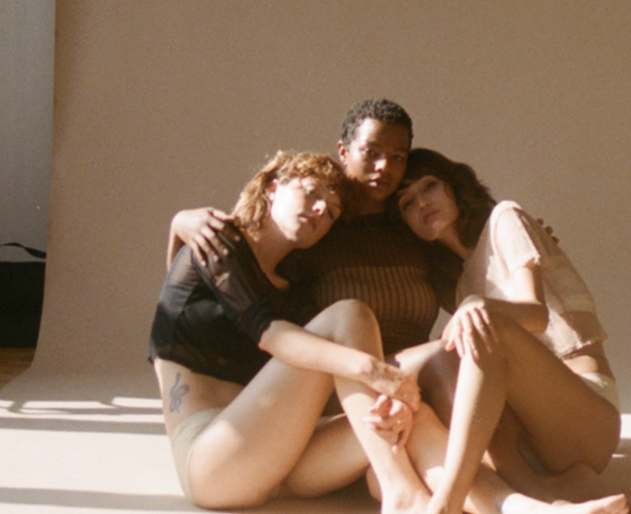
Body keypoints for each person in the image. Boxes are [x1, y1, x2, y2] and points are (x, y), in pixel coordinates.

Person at [150, 148, 428, 514]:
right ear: (272, 188)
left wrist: (389, 396)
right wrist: (373, 371)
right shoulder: (217, 244)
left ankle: (493, 511)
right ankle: (401, 494)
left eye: (331, 213)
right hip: (212, 460)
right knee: (350, 314)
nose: (320, 210)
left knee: (409, 417)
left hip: (279, 461)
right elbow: (269, 334)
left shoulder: (294, 293)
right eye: (311, 193)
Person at [388, 147, 631, 514]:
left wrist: (480, 306)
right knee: (443, 361)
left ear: (454, 186)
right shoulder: (461, 283)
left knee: (483, 327)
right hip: (528, 446)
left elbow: (535, 315)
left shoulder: (505, 218)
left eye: (429, 186)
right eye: (407, 203)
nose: (422, 203)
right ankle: (538, 504)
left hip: (583, 414)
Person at [169, 98, 440, 355]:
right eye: (371, 152)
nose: (384, 166)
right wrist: (179, 225)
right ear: (343, 151)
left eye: (398, 157)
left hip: (421, 370)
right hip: (338, 374)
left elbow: (461, 287)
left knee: (449, 353)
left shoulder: (414, 231)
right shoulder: (314, 229)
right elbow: (218, 281)